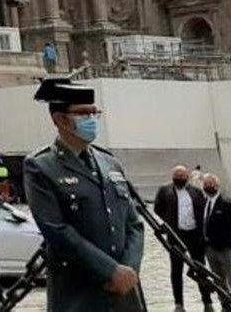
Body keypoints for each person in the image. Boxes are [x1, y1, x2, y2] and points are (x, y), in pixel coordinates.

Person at [23, 79, 145, 312]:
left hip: (125, 293)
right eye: (83, 114)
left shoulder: (110, 163)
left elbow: (134, 224)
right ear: (59, 119)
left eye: (94, 113)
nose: (91, 120)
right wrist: (109, 270)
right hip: (79, 294)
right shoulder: (41, 166)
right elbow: (56, 229)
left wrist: (129, 270)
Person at [154, 165, 213, 312]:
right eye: (177, 176)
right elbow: (158, 208)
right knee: (176, 269)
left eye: (182, 176)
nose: (180, 178)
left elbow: (202, 210)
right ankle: (179, 303)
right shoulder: (165, 191)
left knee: (200, 268)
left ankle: (207, 302)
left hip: (194, 235)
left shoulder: (196, 192)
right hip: (176, 235)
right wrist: (169, 222)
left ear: (187, 177)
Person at [201, 174, 231, 306]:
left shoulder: (226, 204)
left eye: (211, 184)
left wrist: (229, 244)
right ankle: (224, 302)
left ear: (217, 186)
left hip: (225, 248)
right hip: (209, 248)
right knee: (217, 278)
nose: (208, 186)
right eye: (206, 184)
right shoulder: (203, 203)